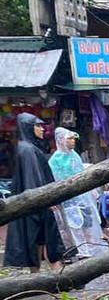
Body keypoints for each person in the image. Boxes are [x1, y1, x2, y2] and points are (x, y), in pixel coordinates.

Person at [2, 113, 65, 273]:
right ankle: (57, 277)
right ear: (28, 128)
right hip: (37, 202)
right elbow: (32, 179)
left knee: (38, 240)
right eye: (37, 126)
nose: (41, 129)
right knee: (46, 240)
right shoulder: (28, 150)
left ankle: (38, 277)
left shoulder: (27, 148)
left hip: (35, 203)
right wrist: (44, 201)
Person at [48, 127, 106, 259]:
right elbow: (55, 181)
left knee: (88, 224)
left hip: (84, 198)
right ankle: (82, 251)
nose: (73, 141)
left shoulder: (75, 156)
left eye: (73, 138)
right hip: (69, 201)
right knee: (74, 226)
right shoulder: (55, 161)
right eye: (70, 138)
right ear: (61, 140)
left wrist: (91, 190)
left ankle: (93, 248)